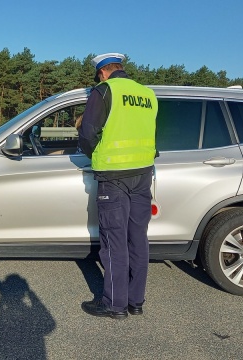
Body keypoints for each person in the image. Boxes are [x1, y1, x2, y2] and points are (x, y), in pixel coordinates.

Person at [78, 53, 158, 319]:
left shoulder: (104, 91)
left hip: (114, 176)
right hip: (143, 173)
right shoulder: (147, 94)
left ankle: (114, 304)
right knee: (138, 239)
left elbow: (88, 132)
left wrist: (92, 153)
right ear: (121, 68)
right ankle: (136, 301)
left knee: (114, 241)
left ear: (102, 72)